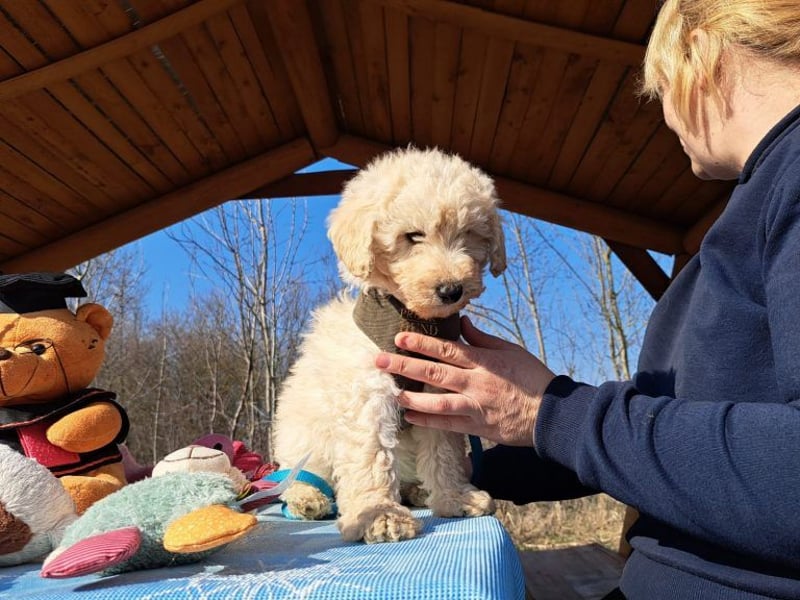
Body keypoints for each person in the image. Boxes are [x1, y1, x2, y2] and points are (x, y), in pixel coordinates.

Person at [373, 0, 800, 598]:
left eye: (659, 92)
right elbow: (668, 433)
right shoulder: (752, 205)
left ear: (698, 52)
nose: (667, 118)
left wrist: (552, 412)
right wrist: (483, 458)